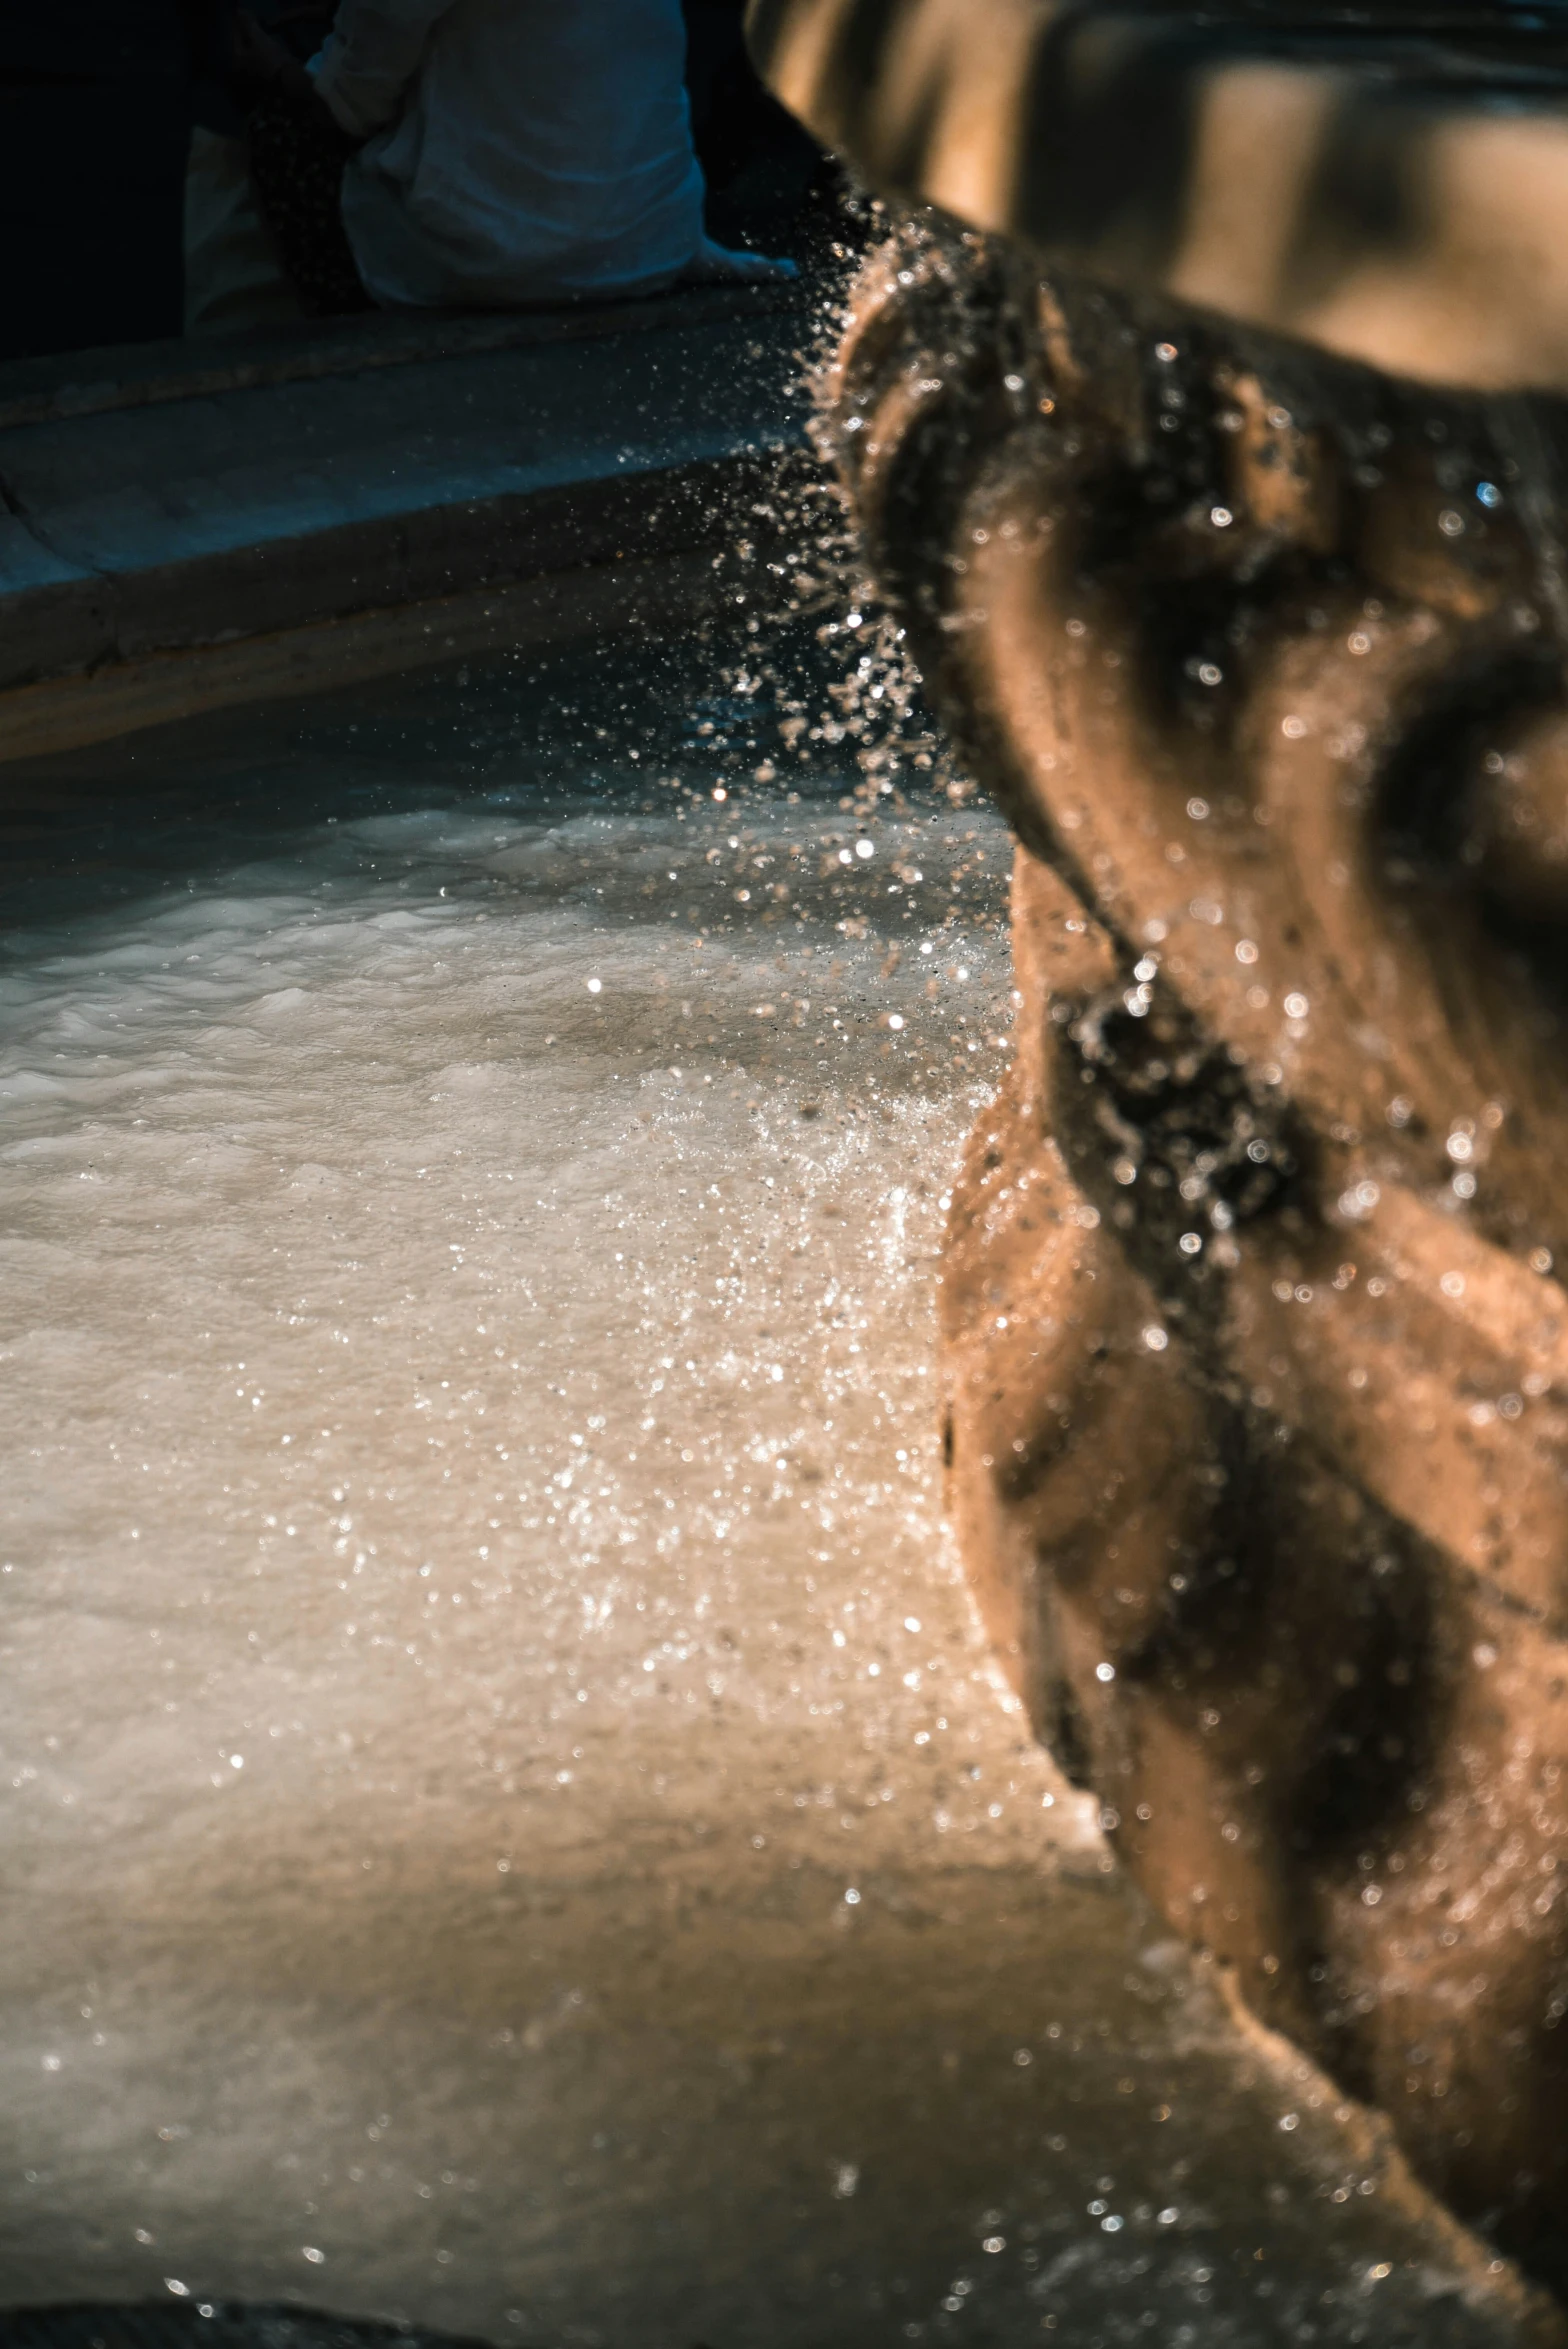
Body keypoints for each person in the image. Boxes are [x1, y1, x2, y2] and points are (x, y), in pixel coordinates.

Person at [295, 0, 795, 312]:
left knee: (275, 127)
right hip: (649, 249)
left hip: (479, 262)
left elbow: (352, 99)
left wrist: (269, 77)